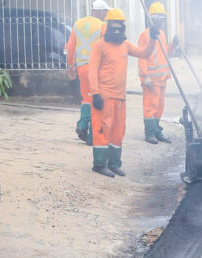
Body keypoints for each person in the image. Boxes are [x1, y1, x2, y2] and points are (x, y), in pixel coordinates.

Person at [89, 8, 156, 177]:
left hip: (120, 97)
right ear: (108, 26)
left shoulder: (125, 45)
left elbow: (144, 53)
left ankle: (114, 164)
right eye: (114, 25)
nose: (117, 29)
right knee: (103, 130)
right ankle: (99, 164)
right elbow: (92, 71)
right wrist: (95, 93)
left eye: (120, 26)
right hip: (103, 97)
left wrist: (153, 39)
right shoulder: (99, 46)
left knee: (118, 132)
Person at [67, 0, 111, 145]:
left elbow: (71, 46)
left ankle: (82, 125)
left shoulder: (78, 23)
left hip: (81, 68)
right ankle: (93, 135)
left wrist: (70, 66)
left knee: (86, 97)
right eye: (105, 12)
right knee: (97, 99)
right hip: (97, 69)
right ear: (99, 11)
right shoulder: (102, 26)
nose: (106, 15)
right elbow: (107, 48)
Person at [138, 2, 175, 144]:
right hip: (151, 79)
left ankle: (157, 131)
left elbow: (165, 53)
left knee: (159, 106)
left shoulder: (162, 34)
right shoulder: (145, 35)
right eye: (161, 19)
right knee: (150, 106)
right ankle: (150, 133)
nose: (163, 22)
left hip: (162, 77)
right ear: (154, 19)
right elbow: (142, 56)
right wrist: (146, 76)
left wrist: (174, 46)